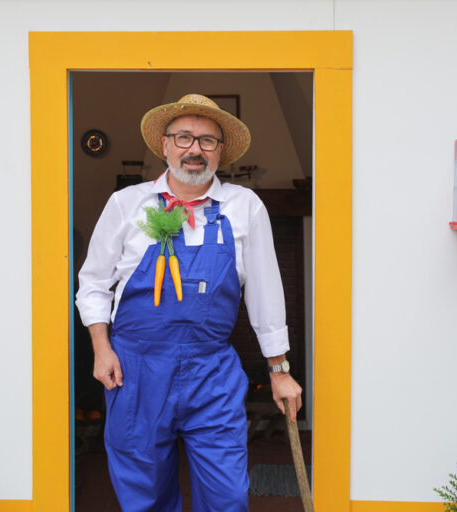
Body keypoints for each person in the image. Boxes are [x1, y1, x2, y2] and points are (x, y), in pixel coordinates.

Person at [75, 93, 302, 511]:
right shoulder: (127, 204)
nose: (194, 148)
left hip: (210, 372)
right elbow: (92, 283)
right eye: (183, 137)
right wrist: (101, 348)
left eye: (207, 140)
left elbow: (266, 293)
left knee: (228, 495)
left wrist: (279, 370)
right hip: (135, 371)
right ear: (164, 146)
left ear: (220, 153)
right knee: (145, 495)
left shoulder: (244, 206)